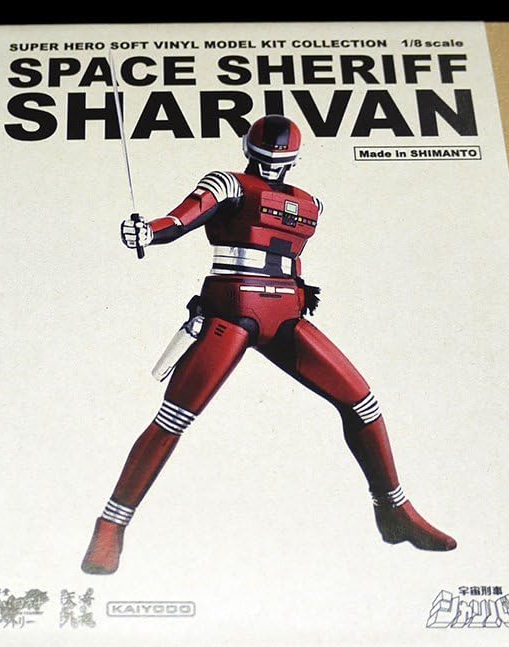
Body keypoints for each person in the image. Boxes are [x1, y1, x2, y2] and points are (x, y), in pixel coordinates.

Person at [81, 115, 456, 576]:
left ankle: (394, 510)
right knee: (174, 416)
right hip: (231, 313)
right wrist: (149, 233)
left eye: (278, 160)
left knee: (362, 402)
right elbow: (181, 219)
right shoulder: (228, 185)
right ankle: (111, 524)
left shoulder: (310, 203)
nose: (271, 167)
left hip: (285, 316)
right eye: (265, 159)